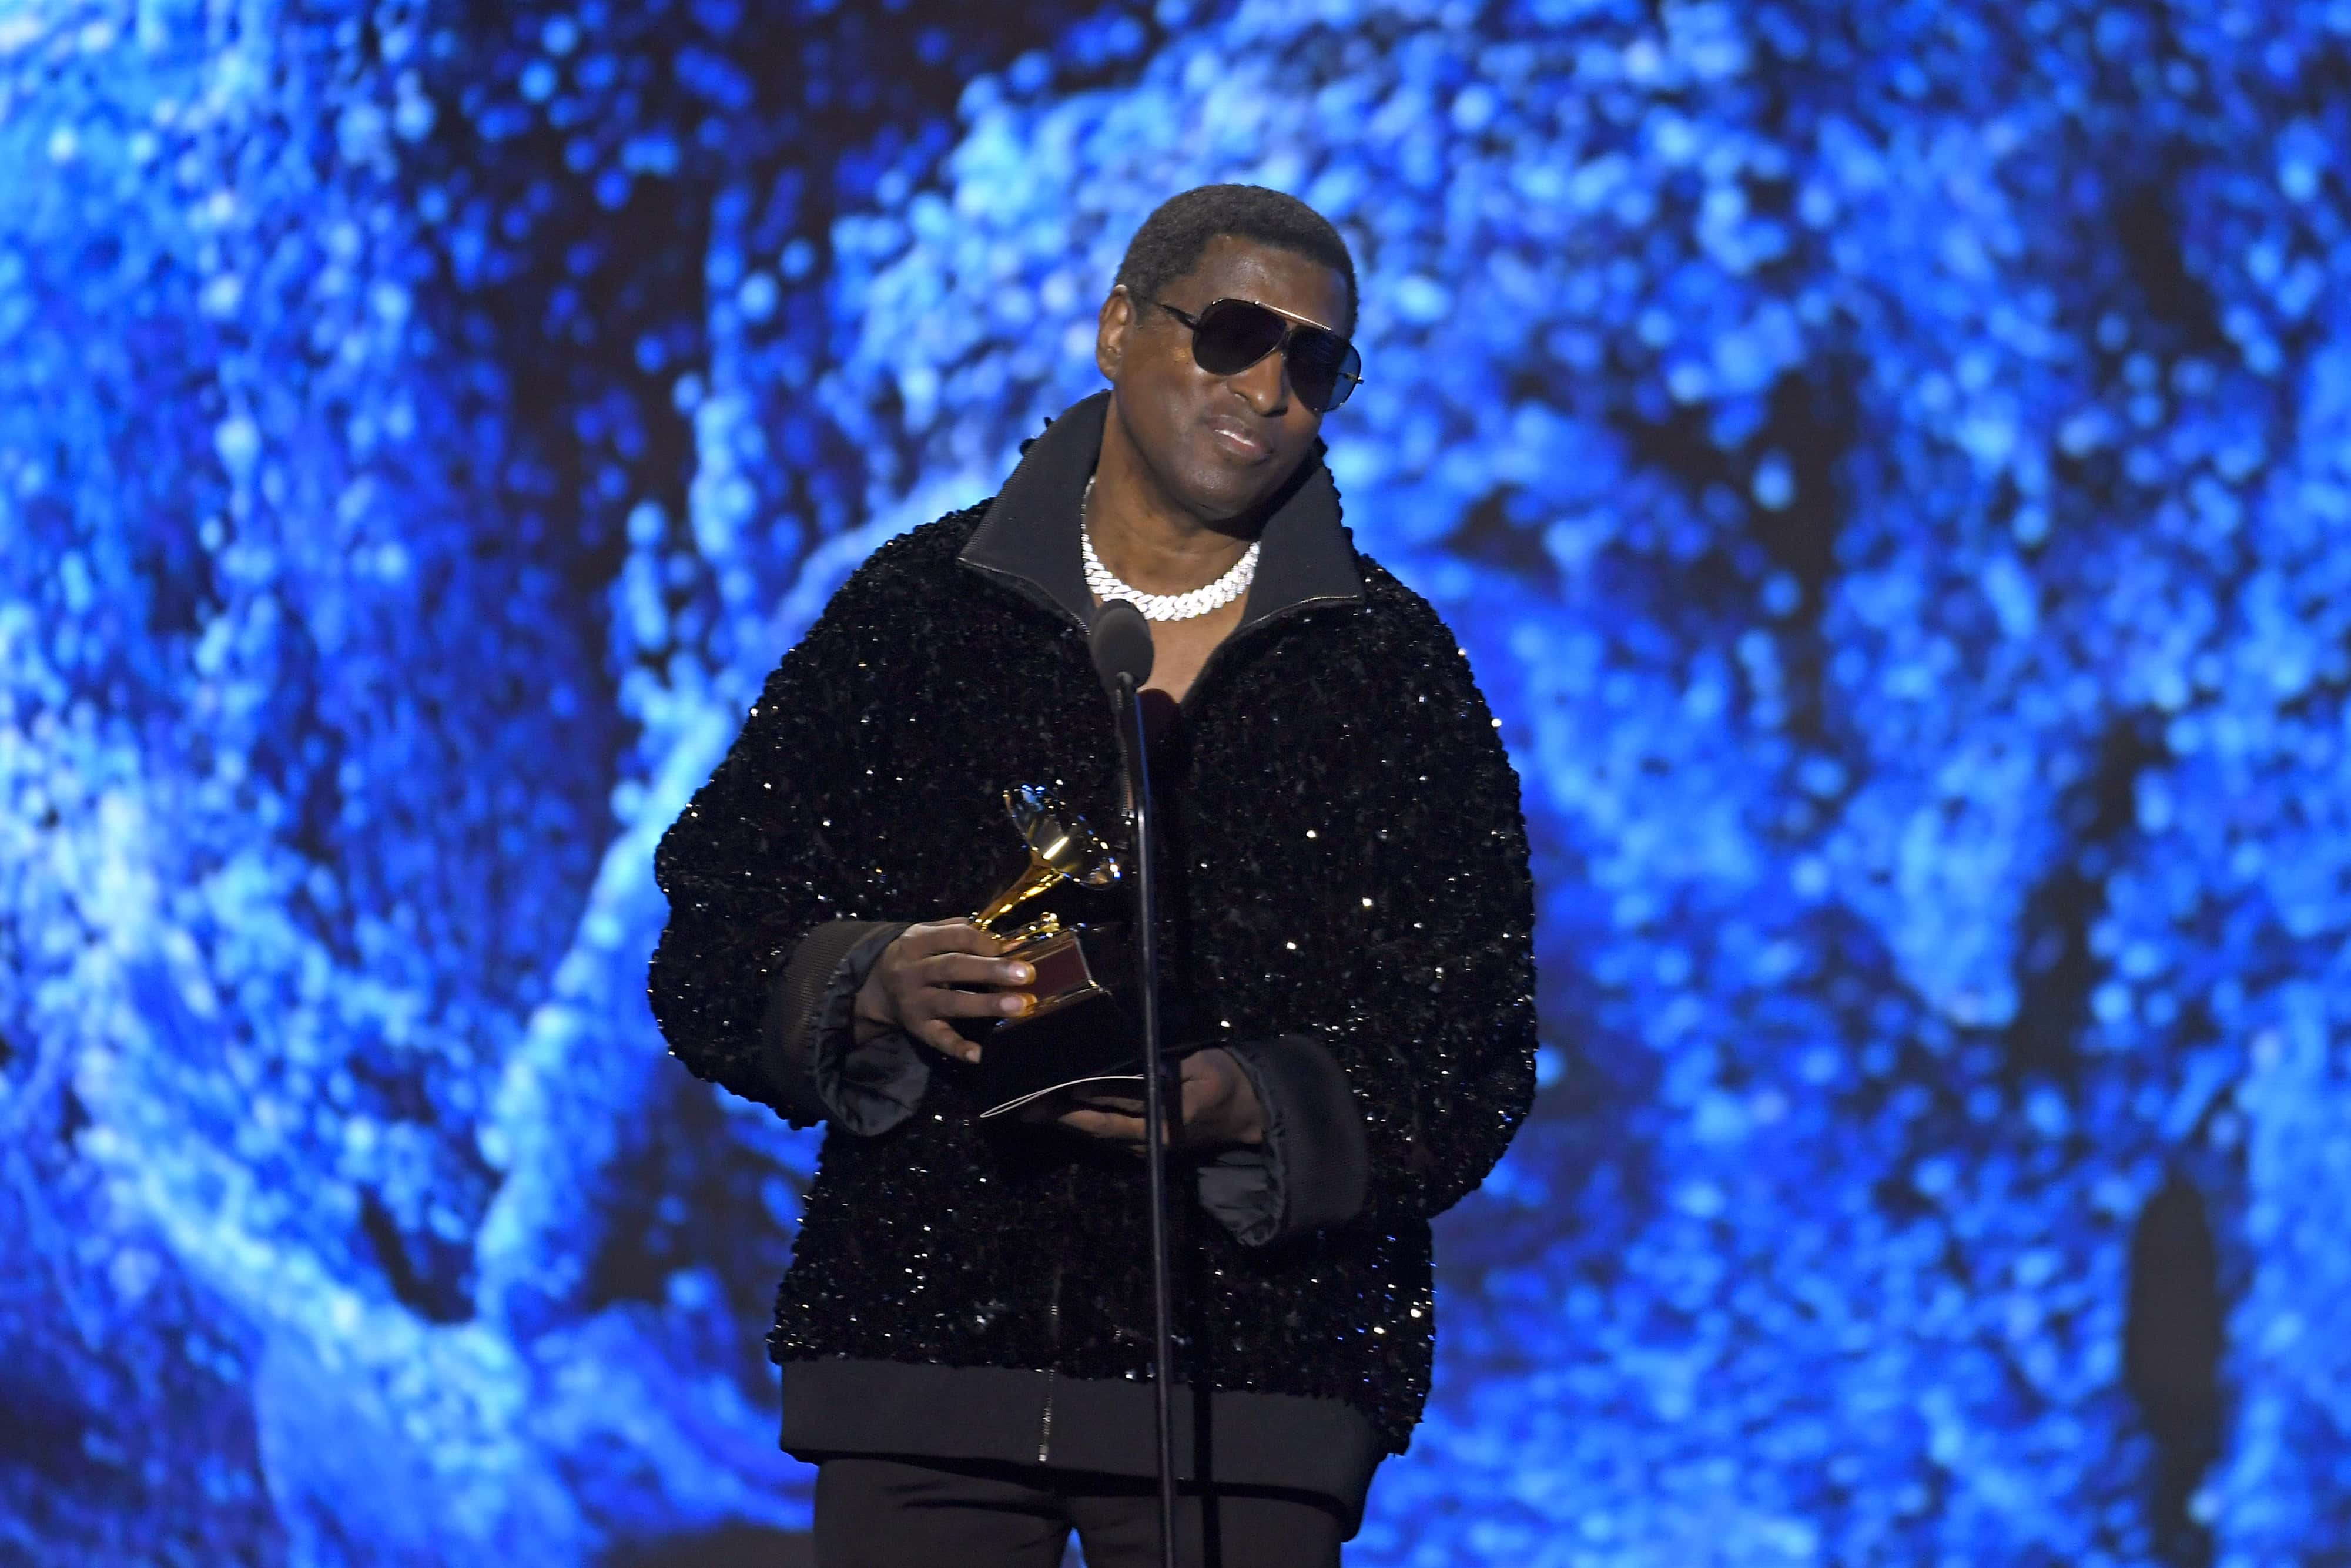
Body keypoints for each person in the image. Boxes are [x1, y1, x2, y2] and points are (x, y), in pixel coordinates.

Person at [649, 184, 1536, 1567]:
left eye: (1316, 365)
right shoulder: (918, 611)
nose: (1268, 390)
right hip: (921, 1368)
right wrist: (867, 983)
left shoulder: (1391, 672)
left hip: (1249, 1392)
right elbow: (714, 923)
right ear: (1119, 327)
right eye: (1232, 335)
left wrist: (1253, 1102)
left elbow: (1469, 1045)